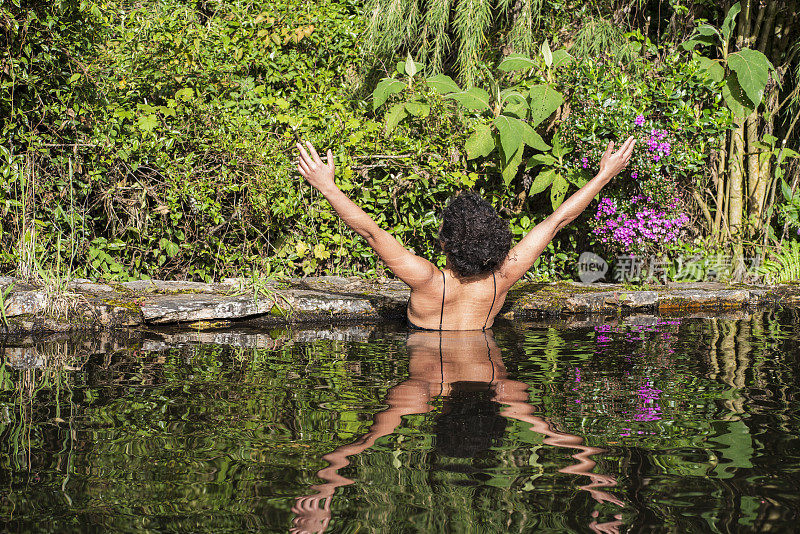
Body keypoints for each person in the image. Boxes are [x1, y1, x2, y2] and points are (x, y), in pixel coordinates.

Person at [290, 329, 624, 534]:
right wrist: (594, 485)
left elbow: (371, 233)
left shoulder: (421, 390)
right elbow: (559, 439)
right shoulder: (504, 390)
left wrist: (327, 488)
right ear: (440, 419)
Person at [296, 137, 635, 330]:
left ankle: (345, 457)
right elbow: (557, 220)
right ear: (496, 242)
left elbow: (371, 232)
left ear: (445, 242)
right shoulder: (503, 276)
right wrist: (604, 175)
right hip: (486, 370)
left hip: (429, 373)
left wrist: (327, 187)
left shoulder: (425, 279)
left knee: (408, 404)